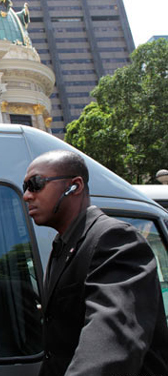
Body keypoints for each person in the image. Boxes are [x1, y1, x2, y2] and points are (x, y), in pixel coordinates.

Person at [22, 149, 168, 376]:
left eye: (36, 184)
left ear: (75, 186)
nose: (27, 195)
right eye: (25, 188)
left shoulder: (115, 239)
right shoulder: (61, 246)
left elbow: (111, 342)